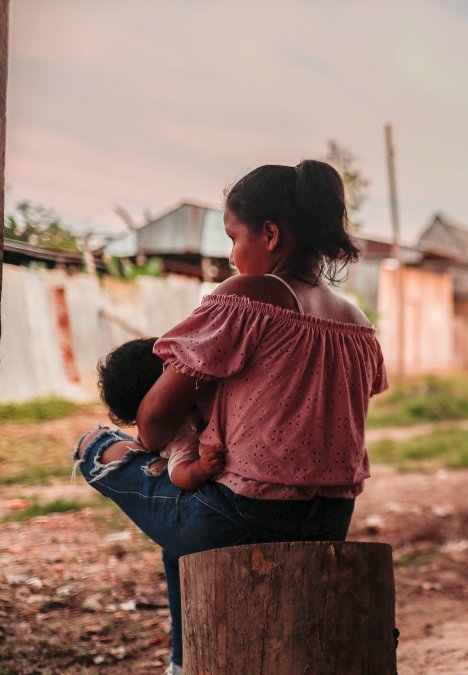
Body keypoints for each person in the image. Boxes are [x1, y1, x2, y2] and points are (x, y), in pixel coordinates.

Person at [73, 160, 388, 674]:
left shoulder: (249, 297)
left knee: (93, 445)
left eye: (232, 235)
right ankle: (183, 662)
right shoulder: (356, 324)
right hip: (331, 522)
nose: (231, 254)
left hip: (241, 520)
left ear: (269, 234)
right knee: (186, 512)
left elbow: (152, 424)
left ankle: (183, 664)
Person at [94, 337, 220, 490]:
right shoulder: (183, 433)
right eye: (170, 366)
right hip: (201, 496)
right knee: (91, 442)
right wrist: (201, 468)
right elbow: (177, 474)